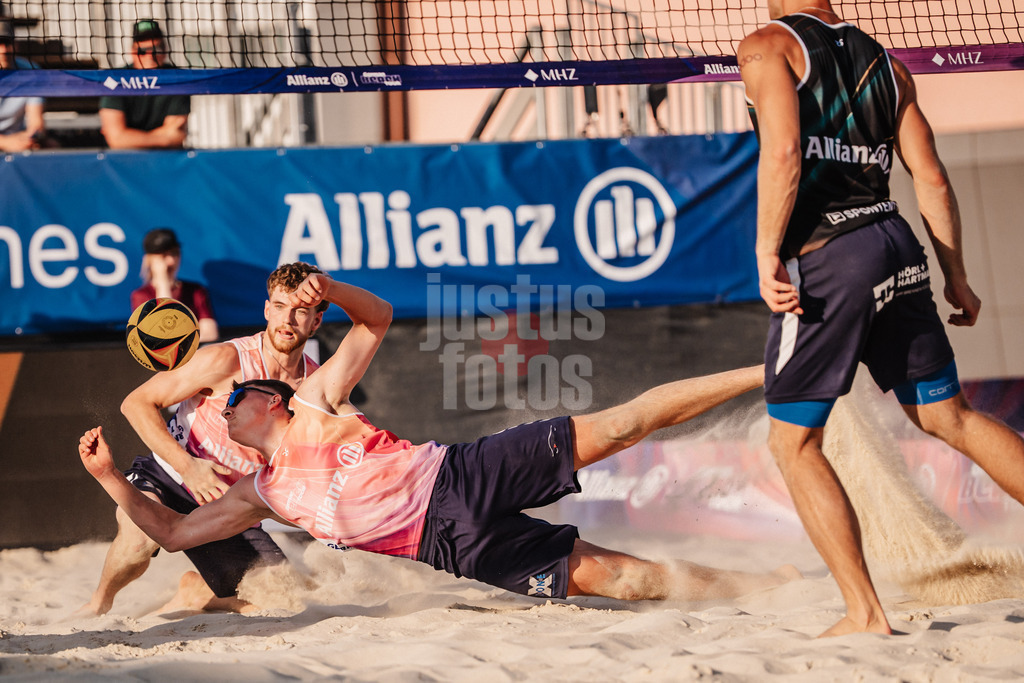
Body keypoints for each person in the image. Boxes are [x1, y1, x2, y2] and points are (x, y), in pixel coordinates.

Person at [80, 272, 800, 606]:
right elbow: (174, 528)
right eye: (223, 402)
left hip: (463, 474)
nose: (226, 404)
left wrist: (328, 288)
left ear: (268, 398)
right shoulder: (255, 485)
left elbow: (377, 320)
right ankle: (749, 589)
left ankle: (766, 369)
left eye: (238, 398)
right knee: (620, 579)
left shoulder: (313, 396)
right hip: (450, 546)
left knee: (623, 424)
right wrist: (113, 474)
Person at [737, 0, 1024, 637]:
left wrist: (765, 252)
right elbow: (933, 179)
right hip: (895, 243)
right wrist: (957, 276)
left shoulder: (765, 46)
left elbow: (782, 152)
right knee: (953, 417)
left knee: (793, 442)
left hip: (831, 260)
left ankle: (864, 613)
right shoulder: (888, 65)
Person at [76, 262, 327, 617]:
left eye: (301, 311)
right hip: (171, 474)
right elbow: (136, 403)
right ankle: (98, 603)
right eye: (281, 307)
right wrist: (188, 467)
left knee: (283, 599)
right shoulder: (228, 358)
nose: (288, 320)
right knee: (138, 542)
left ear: (316, 322)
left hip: (228, 507)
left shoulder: (315, 391)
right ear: (267, 309)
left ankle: (197, 592)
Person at [99, 19, 189, 149]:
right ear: (133, 52)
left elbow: (177, 134)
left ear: (164, 50)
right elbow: (116, 139)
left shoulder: (178, 79)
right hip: (124, 160)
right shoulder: (114, 80)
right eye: (142, 51)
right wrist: (163, 139)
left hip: (166, 158)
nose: (149, 56)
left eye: (155, 49)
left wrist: (130, 138)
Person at [131, 227, 219, 342]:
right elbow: (159, 335)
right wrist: (163, 282)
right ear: (150, 259)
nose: (171, 261)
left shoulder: (195, 290)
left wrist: (181, 344)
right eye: (163, 256)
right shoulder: (141, 295)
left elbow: (210, 333)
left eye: (175, 253)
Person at [0, 18, 45, 152]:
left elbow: (36, 122)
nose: (3, 50)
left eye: (7, 43)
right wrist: (5, 142)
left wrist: (32, 138)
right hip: (9, 141)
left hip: (19, 139)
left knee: (51, 147)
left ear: (16, 45)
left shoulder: (31, 71)